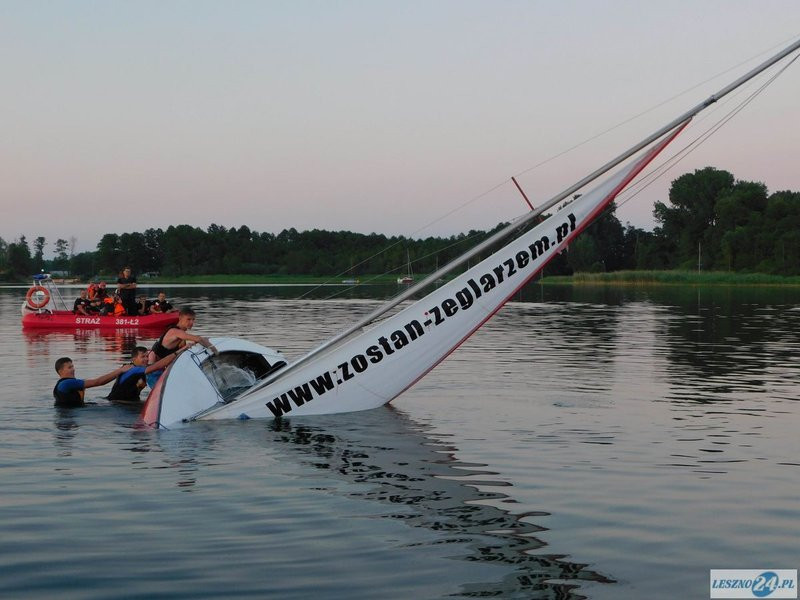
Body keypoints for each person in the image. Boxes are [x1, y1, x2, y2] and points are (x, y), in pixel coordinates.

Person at [146, 306, 217, 388]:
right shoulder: (175, 331)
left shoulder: (182, 337)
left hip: (162, 369)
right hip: (153, 371)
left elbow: (182, 354)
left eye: (193, 319)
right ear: (180, 318)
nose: (191, 322)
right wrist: (215, 351)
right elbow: (199, 338)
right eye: (188, 319)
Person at [107, 346, 187, 402]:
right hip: (119, 404)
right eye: (143, 357)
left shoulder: (140, 369)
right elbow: (159, 365)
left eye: (147, 356)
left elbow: (159, 366)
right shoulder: (133, 369)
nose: (146, 359)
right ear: (134, 359)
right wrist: (179, 351)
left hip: (128, 402)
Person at [53, 357, 132, 408]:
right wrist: (120, 370)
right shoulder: (66, 384)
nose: (73, 369)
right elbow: (98, 382)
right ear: (61, 371)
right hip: (69, 416)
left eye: (73, 366)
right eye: (69, 367)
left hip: (73, 412)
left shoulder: (68, 383)